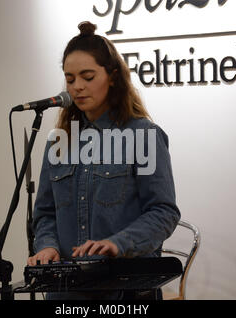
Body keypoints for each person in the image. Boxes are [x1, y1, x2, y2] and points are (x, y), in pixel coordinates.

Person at [27, 21, 180, 300]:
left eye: (87, 76)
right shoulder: (59, 141)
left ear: (112, 77)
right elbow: (45, 214)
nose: (77, 88)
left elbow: (163, 213)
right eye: (70, 79)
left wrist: (117, 244)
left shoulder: (144, 136)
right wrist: (47, 246)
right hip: (67, 295)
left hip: (125, 292)